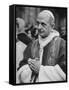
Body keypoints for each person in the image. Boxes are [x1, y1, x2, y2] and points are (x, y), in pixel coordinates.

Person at [17, 10, 66, 83]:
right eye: (38, 23)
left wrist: (41, 70)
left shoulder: (62, 44)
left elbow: (65, 71)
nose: (39, 27)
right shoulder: (32, 45)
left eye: (43, 24)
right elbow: (21, 67)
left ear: (52, 26)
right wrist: (30, 70)